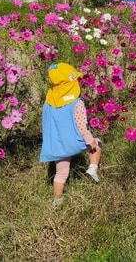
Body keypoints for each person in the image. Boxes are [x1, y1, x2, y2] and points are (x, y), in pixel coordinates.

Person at [40, 63, 102, 207]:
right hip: (75, 141)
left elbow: (47, 124)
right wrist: (89, 140)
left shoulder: (48, 103)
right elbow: (81, 125)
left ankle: (57, 202)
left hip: (57, 145)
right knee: (97, 144)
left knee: (61, 173)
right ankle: (92, 169)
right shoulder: (77, 103)